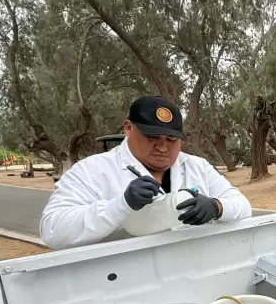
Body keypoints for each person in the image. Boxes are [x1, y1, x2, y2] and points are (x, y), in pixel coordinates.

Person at [40, 96, 252, 250]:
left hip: (192, 272)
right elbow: (52, 230)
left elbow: (242, 206)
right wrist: (119, 206)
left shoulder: (197, 167)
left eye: (171, 140)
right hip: (122, 281)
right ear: (128, 128)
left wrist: (217, 207)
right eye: (152, 137)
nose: (162, 147)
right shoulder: (90, 171)